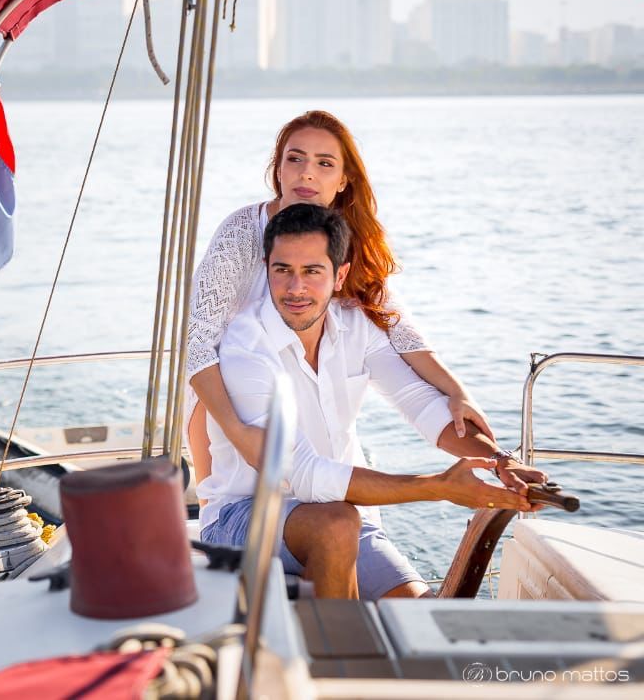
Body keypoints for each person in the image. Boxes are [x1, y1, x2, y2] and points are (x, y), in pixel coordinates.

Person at [199, 204, 546, 599]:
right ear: (266, 268)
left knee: (424, 617)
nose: (295, 288)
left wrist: (501, 461)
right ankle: (336, 641)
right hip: (243, 516)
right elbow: (305, 474)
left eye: (312, 272)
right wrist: (438, 487)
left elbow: (421, 403)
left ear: (339, 275)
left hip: (342, 515)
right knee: (335, 524)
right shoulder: (246, 346)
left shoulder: (356, 325)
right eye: (283, 270)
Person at [185, 110, 528, 495]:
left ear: (344, 179)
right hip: (226, 384)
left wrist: (456, 392)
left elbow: (398, 330)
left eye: (324, 163)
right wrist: (236, 430)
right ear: (278, 170)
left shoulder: (347, 241)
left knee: (324, 487)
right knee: (226, 499)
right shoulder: (241, 231)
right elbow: (197, 341)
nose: (307, 173)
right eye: (295, 159)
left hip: (311, 371)